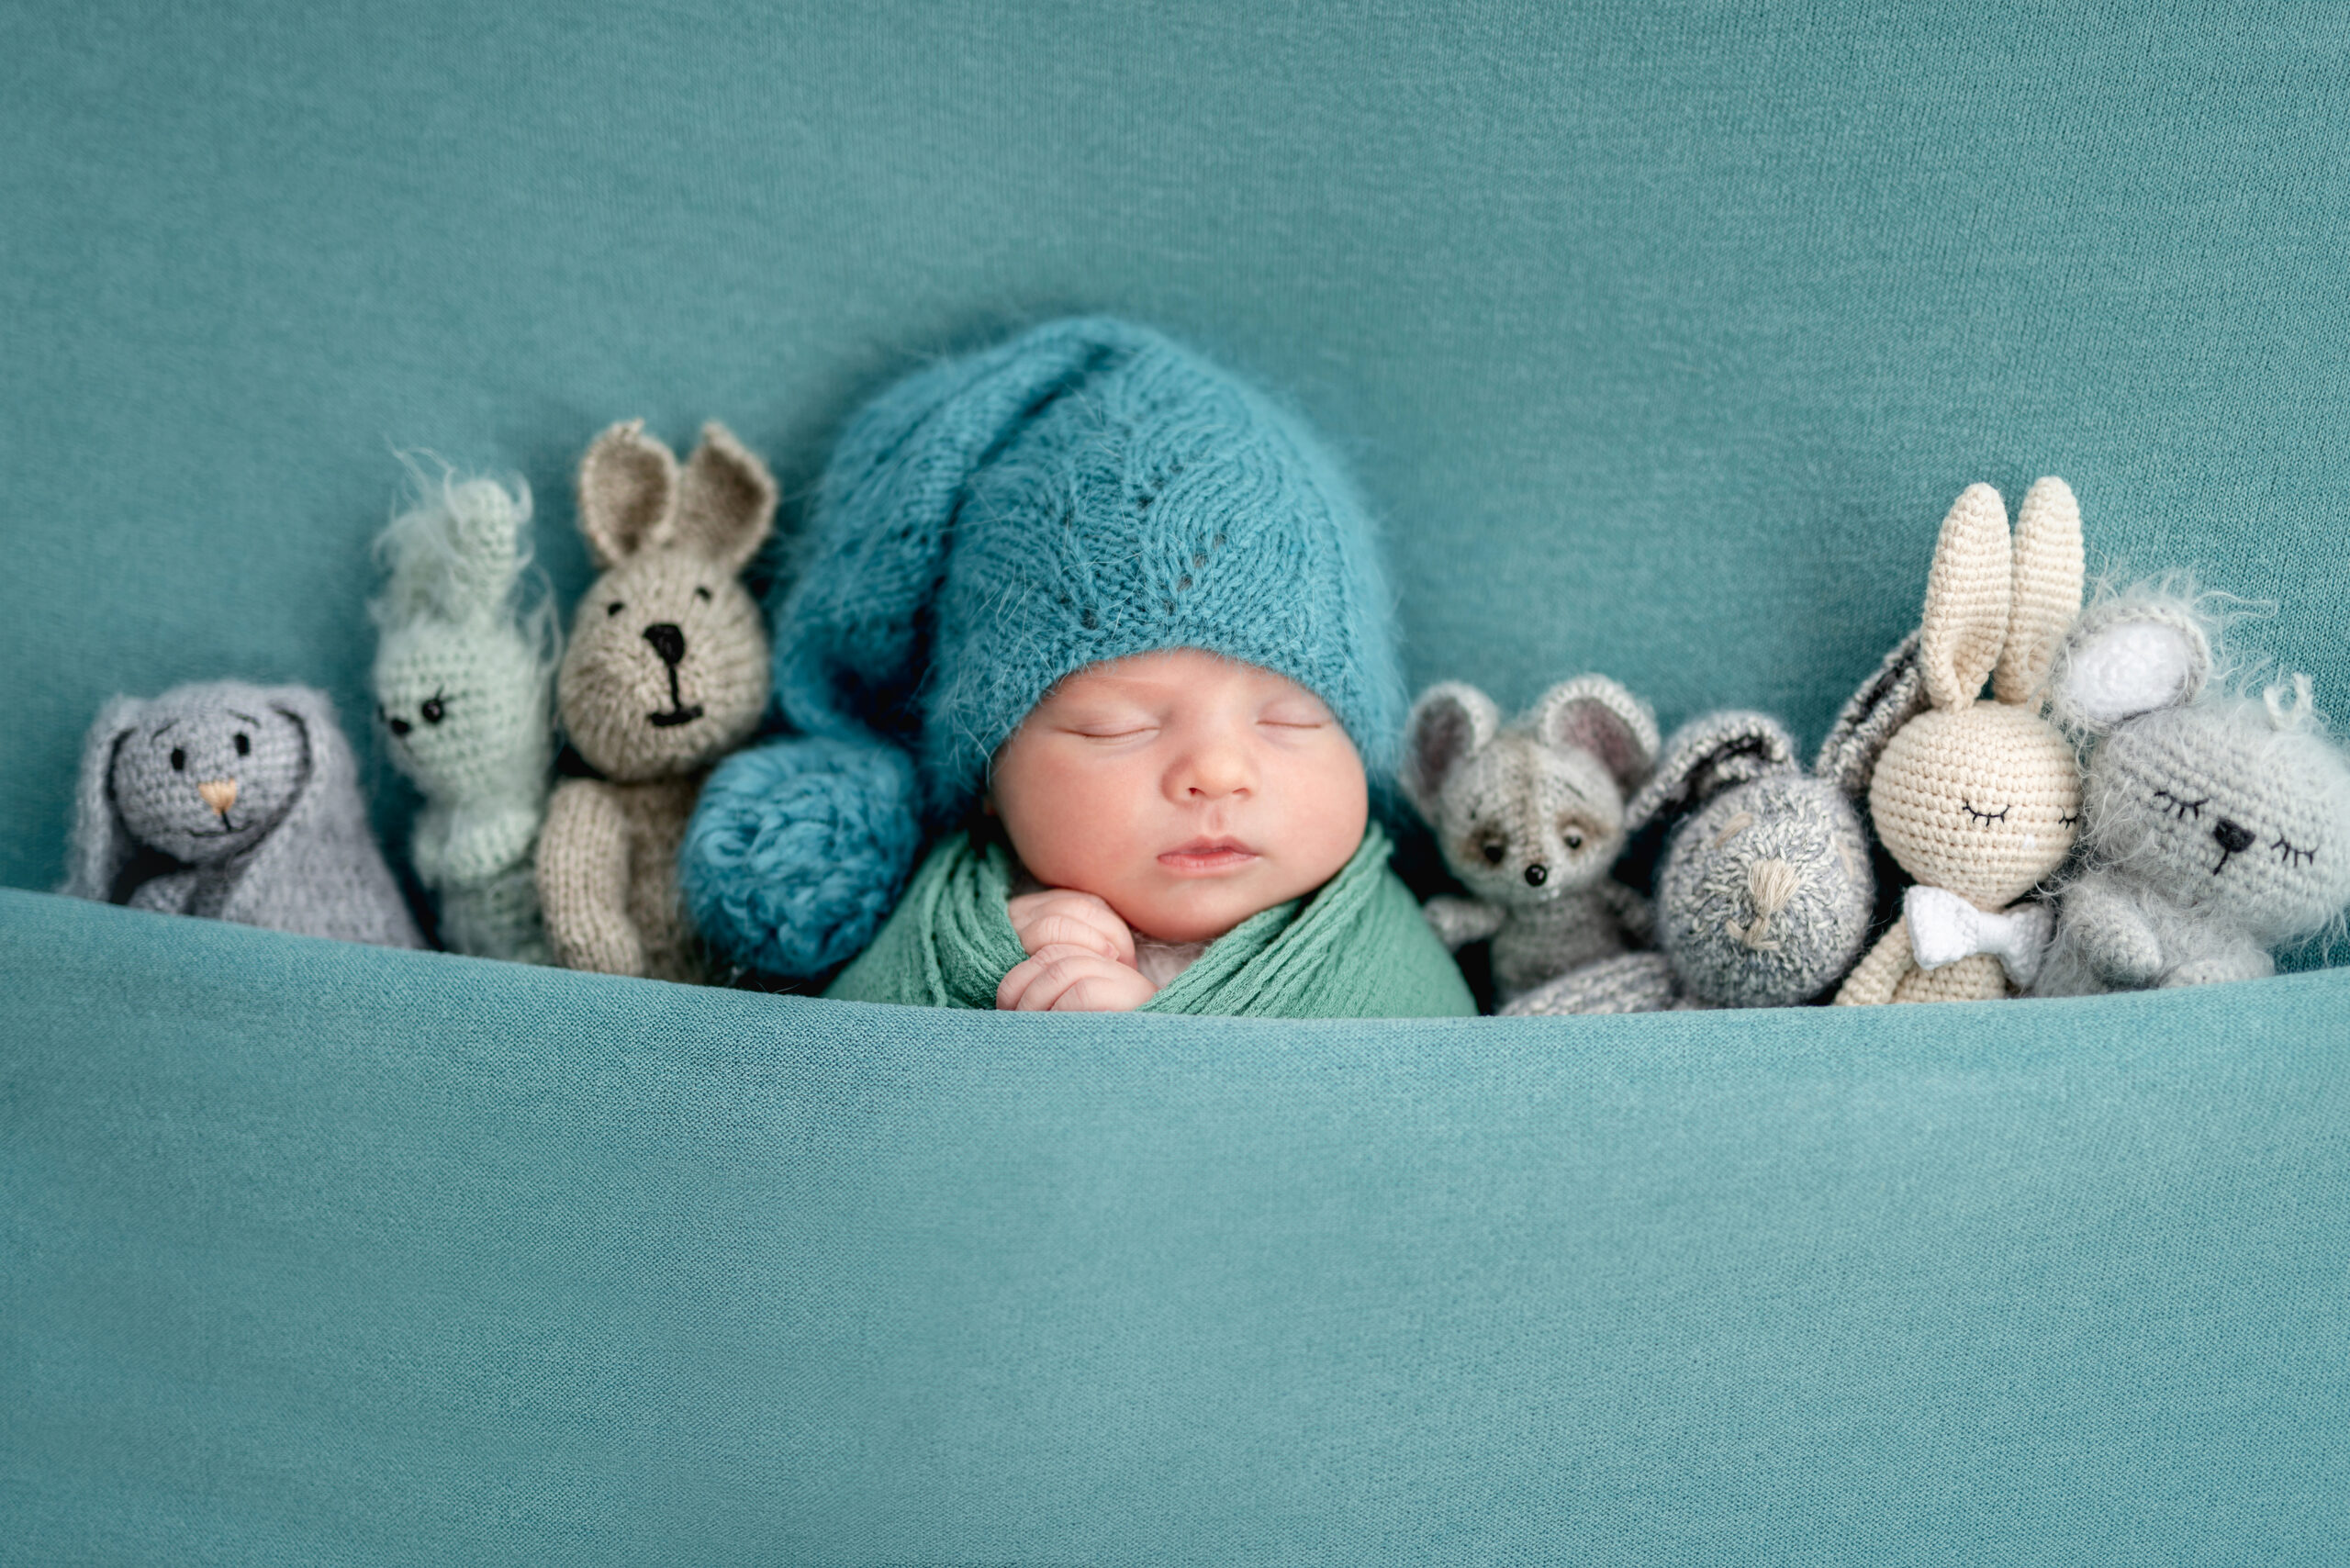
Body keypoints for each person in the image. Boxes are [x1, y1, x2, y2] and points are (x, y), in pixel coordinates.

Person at [680, 317, 1475, 1018]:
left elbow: (1428, 1112)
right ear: (990, 782)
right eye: (1115, 726)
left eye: (1291, 720)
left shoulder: (1374, 938)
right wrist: (989, 965)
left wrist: (1154, 1052)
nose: (1218, 771)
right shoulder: (968, 913)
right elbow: (846, 1075)